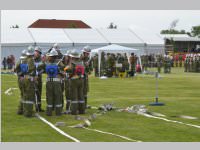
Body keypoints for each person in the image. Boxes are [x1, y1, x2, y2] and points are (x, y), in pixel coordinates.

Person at [37, 49, 64, 116]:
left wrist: (43, 63)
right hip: (57, 82)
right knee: (58, 96)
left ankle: (49, 112)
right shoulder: (59, 62)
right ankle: (58, 112)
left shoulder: (46, 63)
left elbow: (39, 69)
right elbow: (63, 69)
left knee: (49, 97)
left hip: (49, 81)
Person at [15, 46, 36, 117]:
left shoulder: (21, 60)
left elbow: (16, 69)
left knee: (23, 95)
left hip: (22, 79)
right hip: (28, 79)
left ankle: (20, 110)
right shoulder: (30, 60)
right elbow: (32, 71)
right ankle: (28, 113)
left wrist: (20, 76)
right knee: (29, 96)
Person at [64, 49, 85, 115]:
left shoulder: (72, 63)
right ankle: (82, 110)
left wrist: (66, 69)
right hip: (81, 79)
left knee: (74, 96)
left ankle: (73, 111)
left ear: (72, 57)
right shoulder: (81, 63)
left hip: (74, 80)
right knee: (81, 95)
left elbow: (70, 71)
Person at [14, 49, 27, 115]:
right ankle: (22, 109)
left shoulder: (19, 61)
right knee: (24, 95)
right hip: (23, 78)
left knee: (23, 94)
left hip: (20, 78)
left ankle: (21, 109)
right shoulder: (24, 61)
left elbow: (15, 70)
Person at [34, 46, 44, 112]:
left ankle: (39, 107)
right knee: (34, 93)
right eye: (36, 52)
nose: (37, 53)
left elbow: (43, 69)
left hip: (39, 78)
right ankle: (35, 107)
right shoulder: (31, 60)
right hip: (33, 78)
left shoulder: (41, 61)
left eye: (38, 53)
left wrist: (39, 74)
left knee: (39, 93)